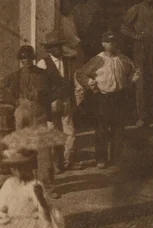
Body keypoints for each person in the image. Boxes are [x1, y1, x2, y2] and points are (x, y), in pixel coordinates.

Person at [74, 31, 138, 169]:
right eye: (109, 42)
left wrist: (131, 80)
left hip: (119, 97)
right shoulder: (97, 60)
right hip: (103, 97)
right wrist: (91, 84)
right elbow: (80, 74)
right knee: (101, 128)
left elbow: (132, 72)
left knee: (118, 128)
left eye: (114, 42)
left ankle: (117, 158)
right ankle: (101, 158)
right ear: (103, 44)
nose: (112, 45)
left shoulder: (123, 59)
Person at [2, 46, 56, 192]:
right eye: (22, 58)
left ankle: (48, 185)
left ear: (33, 58)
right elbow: (3, 89)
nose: (25, 60)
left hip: (40, 113)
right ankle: (26, 183)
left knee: (44, 151)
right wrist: (15, 102)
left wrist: (46, 98)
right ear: (20, 60)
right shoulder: (15, 76)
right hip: (21, 114)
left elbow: (58, 88)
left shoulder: (44, 74)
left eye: (28, 57)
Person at [122, 0, 153, 128]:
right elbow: (123, 28)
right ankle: (141, 115)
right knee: (141, 82)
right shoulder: (136, 9)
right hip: (140, 48)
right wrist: (134, 35)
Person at [36, 35, 78, 173]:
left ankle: (68, 161)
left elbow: (71, 80)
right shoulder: (43, 63)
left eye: (59, 46)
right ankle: (54, 164)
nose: (58, 49)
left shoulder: (67, 62)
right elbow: (41, 86)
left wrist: (71, 98)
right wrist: (51, 100)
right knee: (52, 131)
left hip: (66, 100)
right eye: (54, 47)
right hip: (51, 102)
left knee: (70, 131)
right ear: (49, 49)